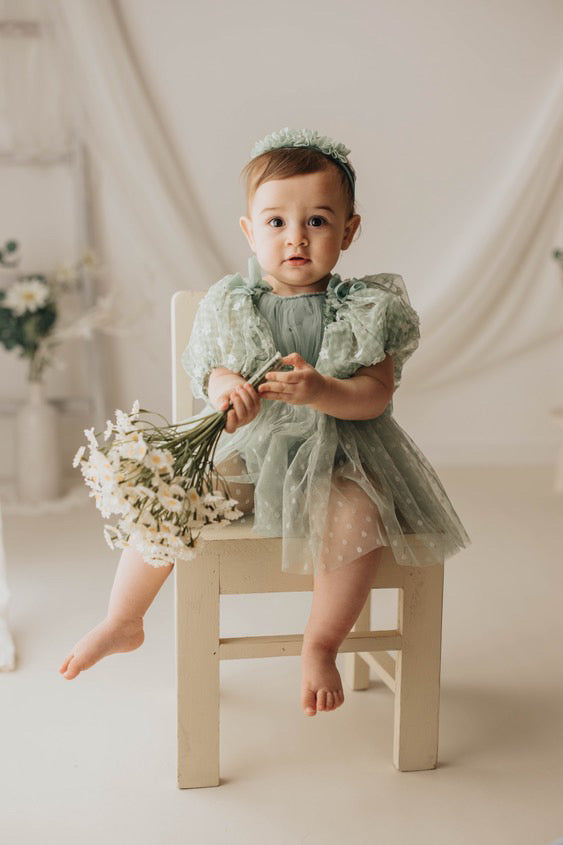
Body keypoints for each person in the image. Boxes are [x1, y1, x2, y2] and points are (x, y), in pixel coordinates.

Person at [59, 127, 471, 717]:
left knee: (357, 512)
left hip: (338, 459)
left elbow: (375, 397)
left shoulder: (365, 308)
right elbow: (213, 372)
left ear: (350, 230)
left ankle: (320, 643)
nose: (296, 238)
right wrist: (226, 388)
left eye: (318, 221)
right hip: (248, 456)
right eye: (276, 222)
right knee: (171, 492)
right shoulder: (231, 302)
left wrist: (325, 388)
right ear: (251, 232)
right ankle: (122, 620)